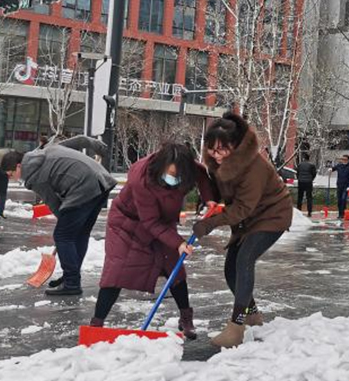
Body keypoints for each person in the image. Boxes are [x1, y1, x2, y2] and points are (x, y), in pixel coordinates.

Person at [92, 143, 215, 339]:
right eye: (171, 175)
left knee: (174, 269)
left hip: (162, 223)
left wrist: (209, 199)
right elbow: (150, 221)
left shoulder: (186, 167)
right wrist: (178, 242)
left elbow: (201, 175)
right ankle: (96, 326)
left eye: (179, 176)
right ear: (161, 167)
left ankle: (186, 318)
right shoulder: (142, 179)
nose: (174, 180)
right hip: (128, 223)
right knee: (116, 271)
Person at [192, 111, 293, 348]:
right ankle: (253, 315)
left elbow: (242, 207)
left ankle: (236, 326)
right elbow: (223, 192)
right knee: (230, 270)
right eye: (211, 149)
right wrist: (208, 200)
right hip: (247, 218)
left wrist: (209, 224)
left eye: (221, 150)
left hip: (272, 215)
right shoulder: (219, 162)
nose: (215, 155)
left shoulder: (254, 165)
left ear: (235, 146)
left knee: (244, 260)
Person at [5, 136, 117, 296]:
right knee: (79, 234)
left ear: (18, 166)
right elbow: (79, 140)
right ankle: (70, 276)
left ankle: (72, 283)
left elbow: (53, 203)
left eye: (10, 175)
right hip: (101, 181)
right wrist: (97, 146)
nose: (12, 179)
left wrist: (64, 222)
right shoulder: (45, 149)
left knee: (63, 236)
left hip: (84, 187)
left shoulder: (34, 176)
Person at [331, 154, 349, 219]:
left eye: (345, 159)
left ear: (348, 160)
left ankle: (343, 213)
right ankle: (340, 213)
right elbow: (334, 168)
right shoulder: (339, 165)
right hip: (339, 185)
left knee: (343, 199)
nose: (343, 161)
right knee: (339, 200)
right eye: (342, 159)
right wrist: (331, 169)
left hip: (346, 186)